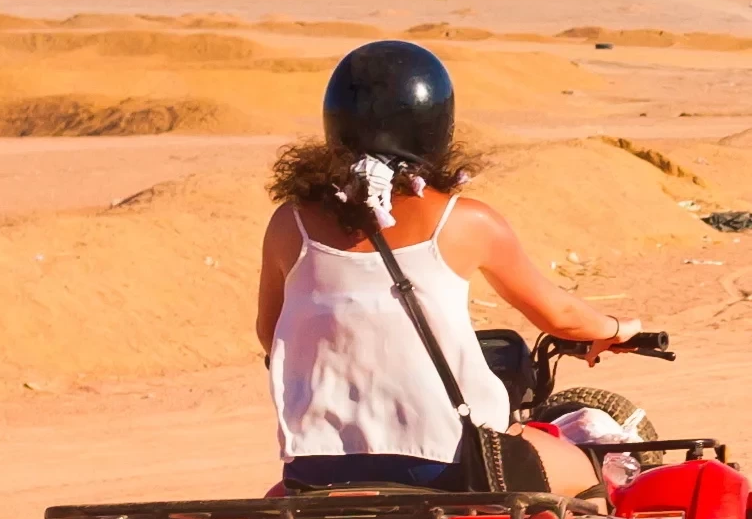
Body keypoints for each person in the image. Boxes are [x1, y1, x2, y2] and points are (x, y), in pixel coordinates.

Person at [256, 40, 631, 490]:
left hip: (316, 468)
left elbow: (269, 331)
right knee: (588, 475)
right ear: (437, 128)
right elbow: (561, 317)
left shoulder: (288, 224)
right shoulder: (465, 221)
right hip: (450, 463)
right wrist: (612, 328)